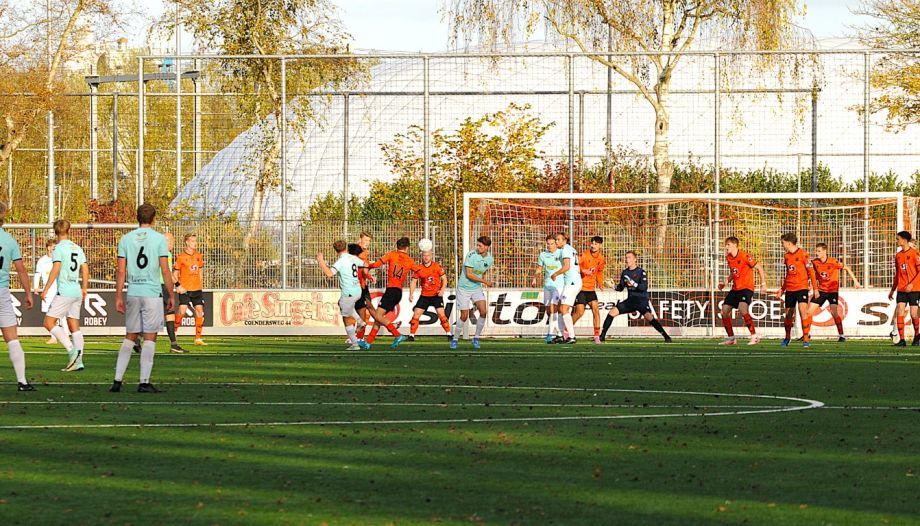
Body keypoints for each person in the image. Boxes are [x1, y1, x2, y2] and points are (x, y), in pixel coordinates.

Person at [110, 204, 175, 393]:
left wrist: (118, 296)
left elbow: (121, 270)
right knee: (150, 336)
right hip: (152, 293)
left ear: (137, 218)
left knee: (130, 335)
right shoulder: (159, 239)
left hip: (133, 292)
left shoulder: (126, 239)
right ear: (154, 219)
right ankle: (144, 382)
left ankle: (117, 380)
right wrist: (171, 294)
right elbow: (165, 269)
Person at [39, 220, 88, 372]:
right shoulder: (77, 248)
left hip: (65, 291)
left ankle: (72, 351)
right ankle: (78, 361)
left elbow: (56, 268)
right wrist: (84, 288)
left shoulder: (58, 248)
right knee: (74, 326)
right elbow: (85, 268)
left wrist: (46, 288)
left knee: (48, 323)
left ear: (55, 232)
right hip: (76, 290)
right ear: (69, 230)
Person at [599, 251, 671, 343]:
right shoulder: (625, 272)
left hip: (641, 300)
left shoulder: (641, 272)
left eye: (629, 257)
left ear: (634, 259)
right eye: (626, 257)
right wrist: (613, 287)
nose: (627, 259)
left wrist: (633, 283)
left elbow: (644, 287)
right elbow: (621, 288)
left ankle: (666, 336)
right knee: (612, 312)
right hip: (631, 301)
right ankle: (602, 336)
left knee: (650, 318)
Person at [0, 202, 35, 391]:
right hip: (2, 292)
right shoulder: (10, 240)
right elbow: (21, 270)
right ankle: (22, 381)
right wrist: (28, 293)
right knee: (12, 338)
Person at [362, 237, 416, 349]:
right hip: (398, 292)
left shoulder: (392, 254)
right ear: (407, 248)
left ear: (397, 246)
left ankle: (397, 335)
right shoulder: (410, 261)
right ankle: (368, 342)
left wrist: (368, 265)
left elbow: (377, 264)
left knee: (377, 315)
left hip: (391, 290)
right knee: (379, 317)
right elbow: (419, 271)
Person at [717, 236, 768, 346]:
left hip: (746, 288)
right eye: (726, 245)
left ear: (735, 245)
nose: (726, 247)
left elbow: (759, 267)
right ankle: (731, 338)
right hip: (735, 288)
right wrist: (725, 283)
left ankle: (754, 336)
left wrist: (763, 284)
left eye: (728, 245)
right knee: (724, 311)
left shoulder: (744, 256)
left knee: (742, 308)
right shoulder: (729, 258)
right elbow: (733, 272)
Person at [317, 240, 366, 350]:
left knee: (346, 318)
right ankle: (359, 322)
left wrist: (321, 261)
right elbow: (365, 264)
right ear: (347, 249)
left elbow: (329, 274)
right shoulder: (353, 258)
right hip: (358, 290)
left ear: (336, 251)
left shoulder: (341, 261)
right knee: (342, 304)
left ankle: (355, 343)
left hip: (348, 292)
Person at [808, 243, 862, 342]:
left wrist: (855, 281)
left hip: (832, 291)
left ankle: (842, 335)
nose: (817, 253)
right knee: (809, 312)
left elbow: (846, 268)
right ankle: (806, 334)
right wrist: (811, 285)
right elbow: (812, 274)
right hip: (820, 291)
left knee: (834, 312)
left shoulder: (833, 262)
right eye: (816, 251)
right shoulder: (815, 262)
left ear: (825, 251)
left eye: (819, 251)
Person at [451, 236, 494, 349]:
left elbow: (482, 271)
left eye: (480, 246)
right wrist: (485, 282)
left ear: (487, 247)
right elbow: (469, 275)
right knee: (464, 316)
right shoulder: (471, 255)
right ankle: (455, 339)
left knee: (483, 312)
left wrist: (483, 280)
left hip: (476, 288)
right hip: (464, 288)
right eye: (478, 245)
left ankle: (476, 338)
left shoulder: (490, 259)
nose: (478, 247)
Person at [776, 233, 818, 348]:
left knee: (802, 310)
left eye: (783, 243)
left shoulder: (803, 254)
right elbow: (788, 274)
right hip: (790, 289)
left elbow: (811, 272)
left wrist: (815, 288)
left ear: (788, 243)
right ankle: (787, 338)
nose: (782, 245)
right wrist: (782, 289)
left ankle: (805, 338)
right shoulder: (786, 256)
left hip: (802, 287)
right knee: (789, 314)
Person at [407, 249, 451, 341]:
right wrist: (411, 294)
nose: (426, 257)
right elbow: (413, 281)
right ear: (422, 256)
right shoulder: (418, 268)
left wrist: (442, 290)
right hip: (424, 295)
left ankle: (449, 334)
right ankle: (411, 335)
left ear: (431, 256)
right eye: (424, 255)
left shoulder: (437, 266)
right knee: (416, 314)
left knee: (441, 314)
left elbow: (444, 279)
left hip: (436, 295)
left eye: (428, 255)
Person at [888, 230, 920, 346]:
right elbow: (897, 274)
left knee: (913, 314)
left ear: (904, 240)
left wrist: (912, 284)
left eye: (898, 239)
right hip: (901, 289)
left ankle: (917, 336)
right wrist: (892, 289)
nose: (897, 241)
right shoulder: (898, 255)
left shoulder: (914, 254)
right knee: (900, 310)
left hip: (914, 289)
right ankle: (902, 340)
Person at [572, 236, 606, 344]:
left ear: (600, 245)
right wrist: (583, 271)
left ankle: (596, 336)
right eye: (592, 243)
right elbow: (575, 266)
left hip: (591, 289)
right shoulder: (584, 255)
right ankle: (566, 331)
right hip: (581, 288)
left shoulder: (601, 258)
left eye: (596, 244)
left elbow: (599, 272)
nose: (593, 245)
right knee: (580, 312)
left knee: (596, 310)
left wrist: (600, 283)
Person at [174, 233, 206, 347]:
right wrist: (178, 285)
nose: (194, 243)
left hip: (197, 289)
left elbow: (200, 271)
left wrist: (200, 285)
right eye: (192, 241)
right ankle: (174, 331)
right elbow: (175, 274)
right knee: (182, 311)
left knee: (199, 311)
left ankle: (198, 338)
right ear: (187, 242)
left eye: (195, 241)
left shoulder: (199, 256)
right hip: (185, 289)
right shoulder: (181, 257)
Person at [531, 234, 563, 344]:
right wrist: (535, 278)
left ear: (556, 244)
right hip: (547, 285)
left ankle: (549, 335)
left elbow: (567, 266)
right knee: (549, 311)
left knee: (554, 308)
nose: (549, 246)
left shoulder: (561, 253)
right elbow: (539, 268)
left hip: (558, 285)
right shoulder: (543, 255)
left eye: (552, 244)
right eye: (548, 244)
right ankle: (560, 333)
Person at [550, 233, 581, 344]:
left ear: (564, 240)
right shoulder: (571, 249)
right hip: (572, 282)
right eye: (556, 239)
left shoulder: (565, 250)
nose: (556, 241)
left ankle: (571, 336)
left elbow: (567, 266)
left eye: (558, 239)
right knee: (560, 308)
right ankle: (560, 335)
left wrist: (555, 274)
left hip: (572, 283)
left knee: (564, 309)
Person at [33, 238, 61, 344]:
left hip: (58, 289)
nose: (53, 249)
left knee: (61, 314)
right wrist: (35, 287)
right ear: (48, 247)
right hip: (47, 291)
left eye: (55, 247)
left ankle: (66, 335)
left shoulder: (58, 260)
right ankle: (53, 337)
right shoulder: (42, 260)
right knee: (49, 314)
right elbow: (37, 274)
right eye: (52, 247)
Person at [353, 231, 377, 340]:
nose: (367, 243)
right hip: (356, 285)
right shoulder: (358, 251)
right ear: (360, 239)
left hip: (362, 285)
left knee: (368, 309)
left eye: (369, 241)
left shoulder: (364, 252)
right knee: (363, 311)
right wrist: (369, 276)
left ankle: (358, 337)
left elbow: (365, 269)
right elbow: (363, 270)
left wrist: (369, 276)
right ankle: (356, 337)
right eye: (366, 240)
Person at [162, 232, 183, 353]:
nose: (172, 244)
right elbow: (167, 272)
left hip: (155, 285)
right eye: (171, 241)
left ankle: (174, 344)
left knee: (168, 313)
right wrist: (178, 285)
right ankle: (137, 339)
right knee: (168, 313)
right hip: (162, 285)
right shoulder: (166, 254)